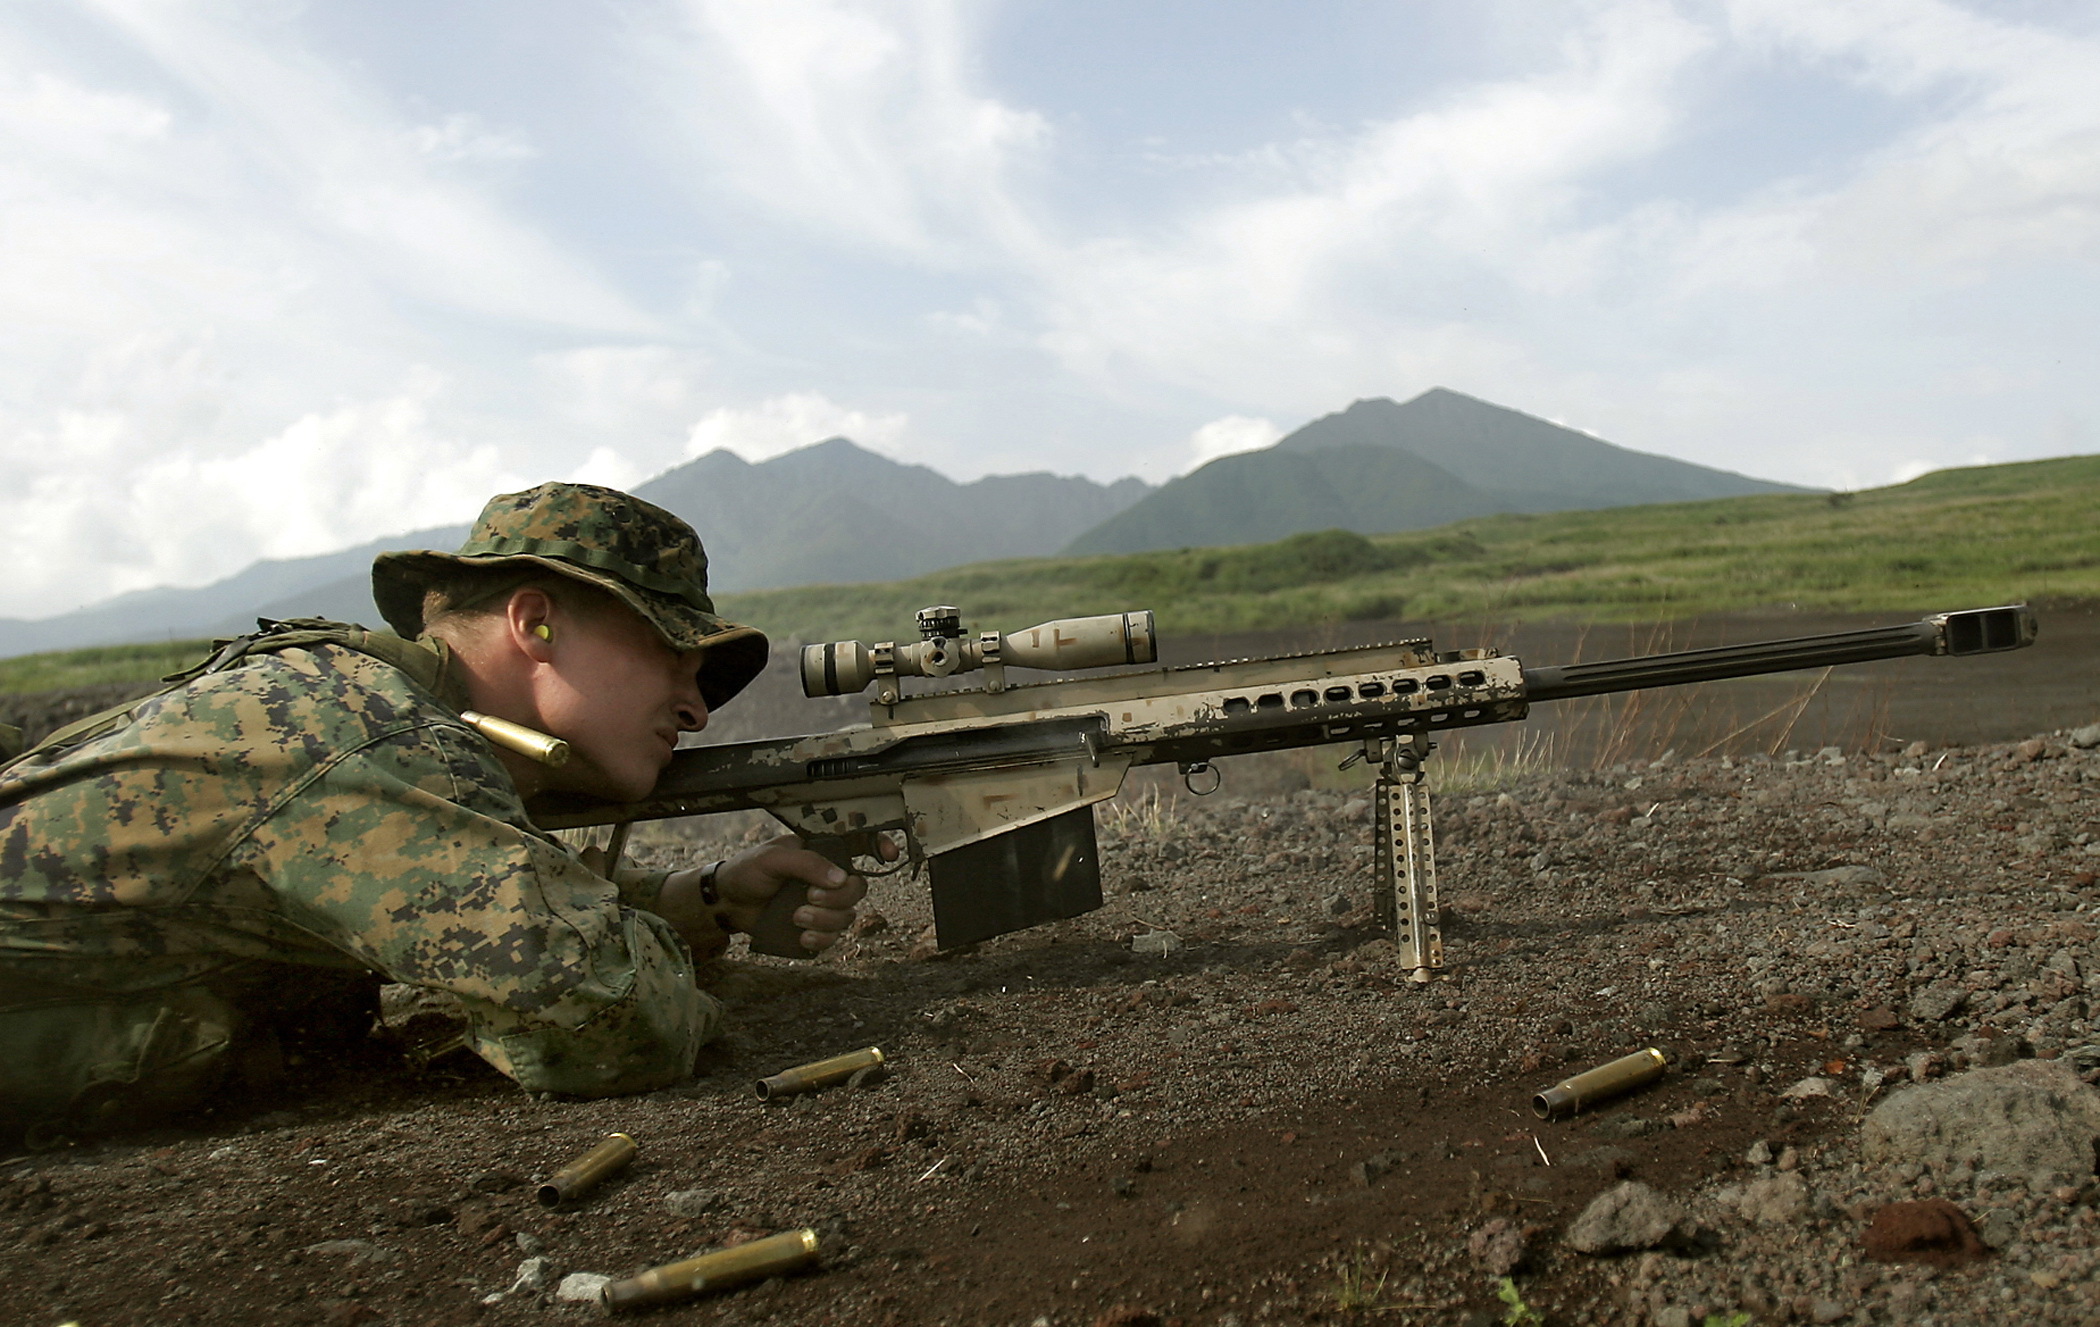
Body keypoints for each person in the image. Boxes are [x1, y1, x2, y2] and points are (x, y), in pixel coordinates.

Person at [0, 482, 868, 1143]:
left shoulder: (375, 712)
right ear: (536, 623)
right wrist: (661, 957)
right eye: (673, 654)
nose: (697, 708)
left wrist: (704, 896)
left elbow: (484, 900)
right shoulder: (365, 732)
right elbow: (603, 1010)